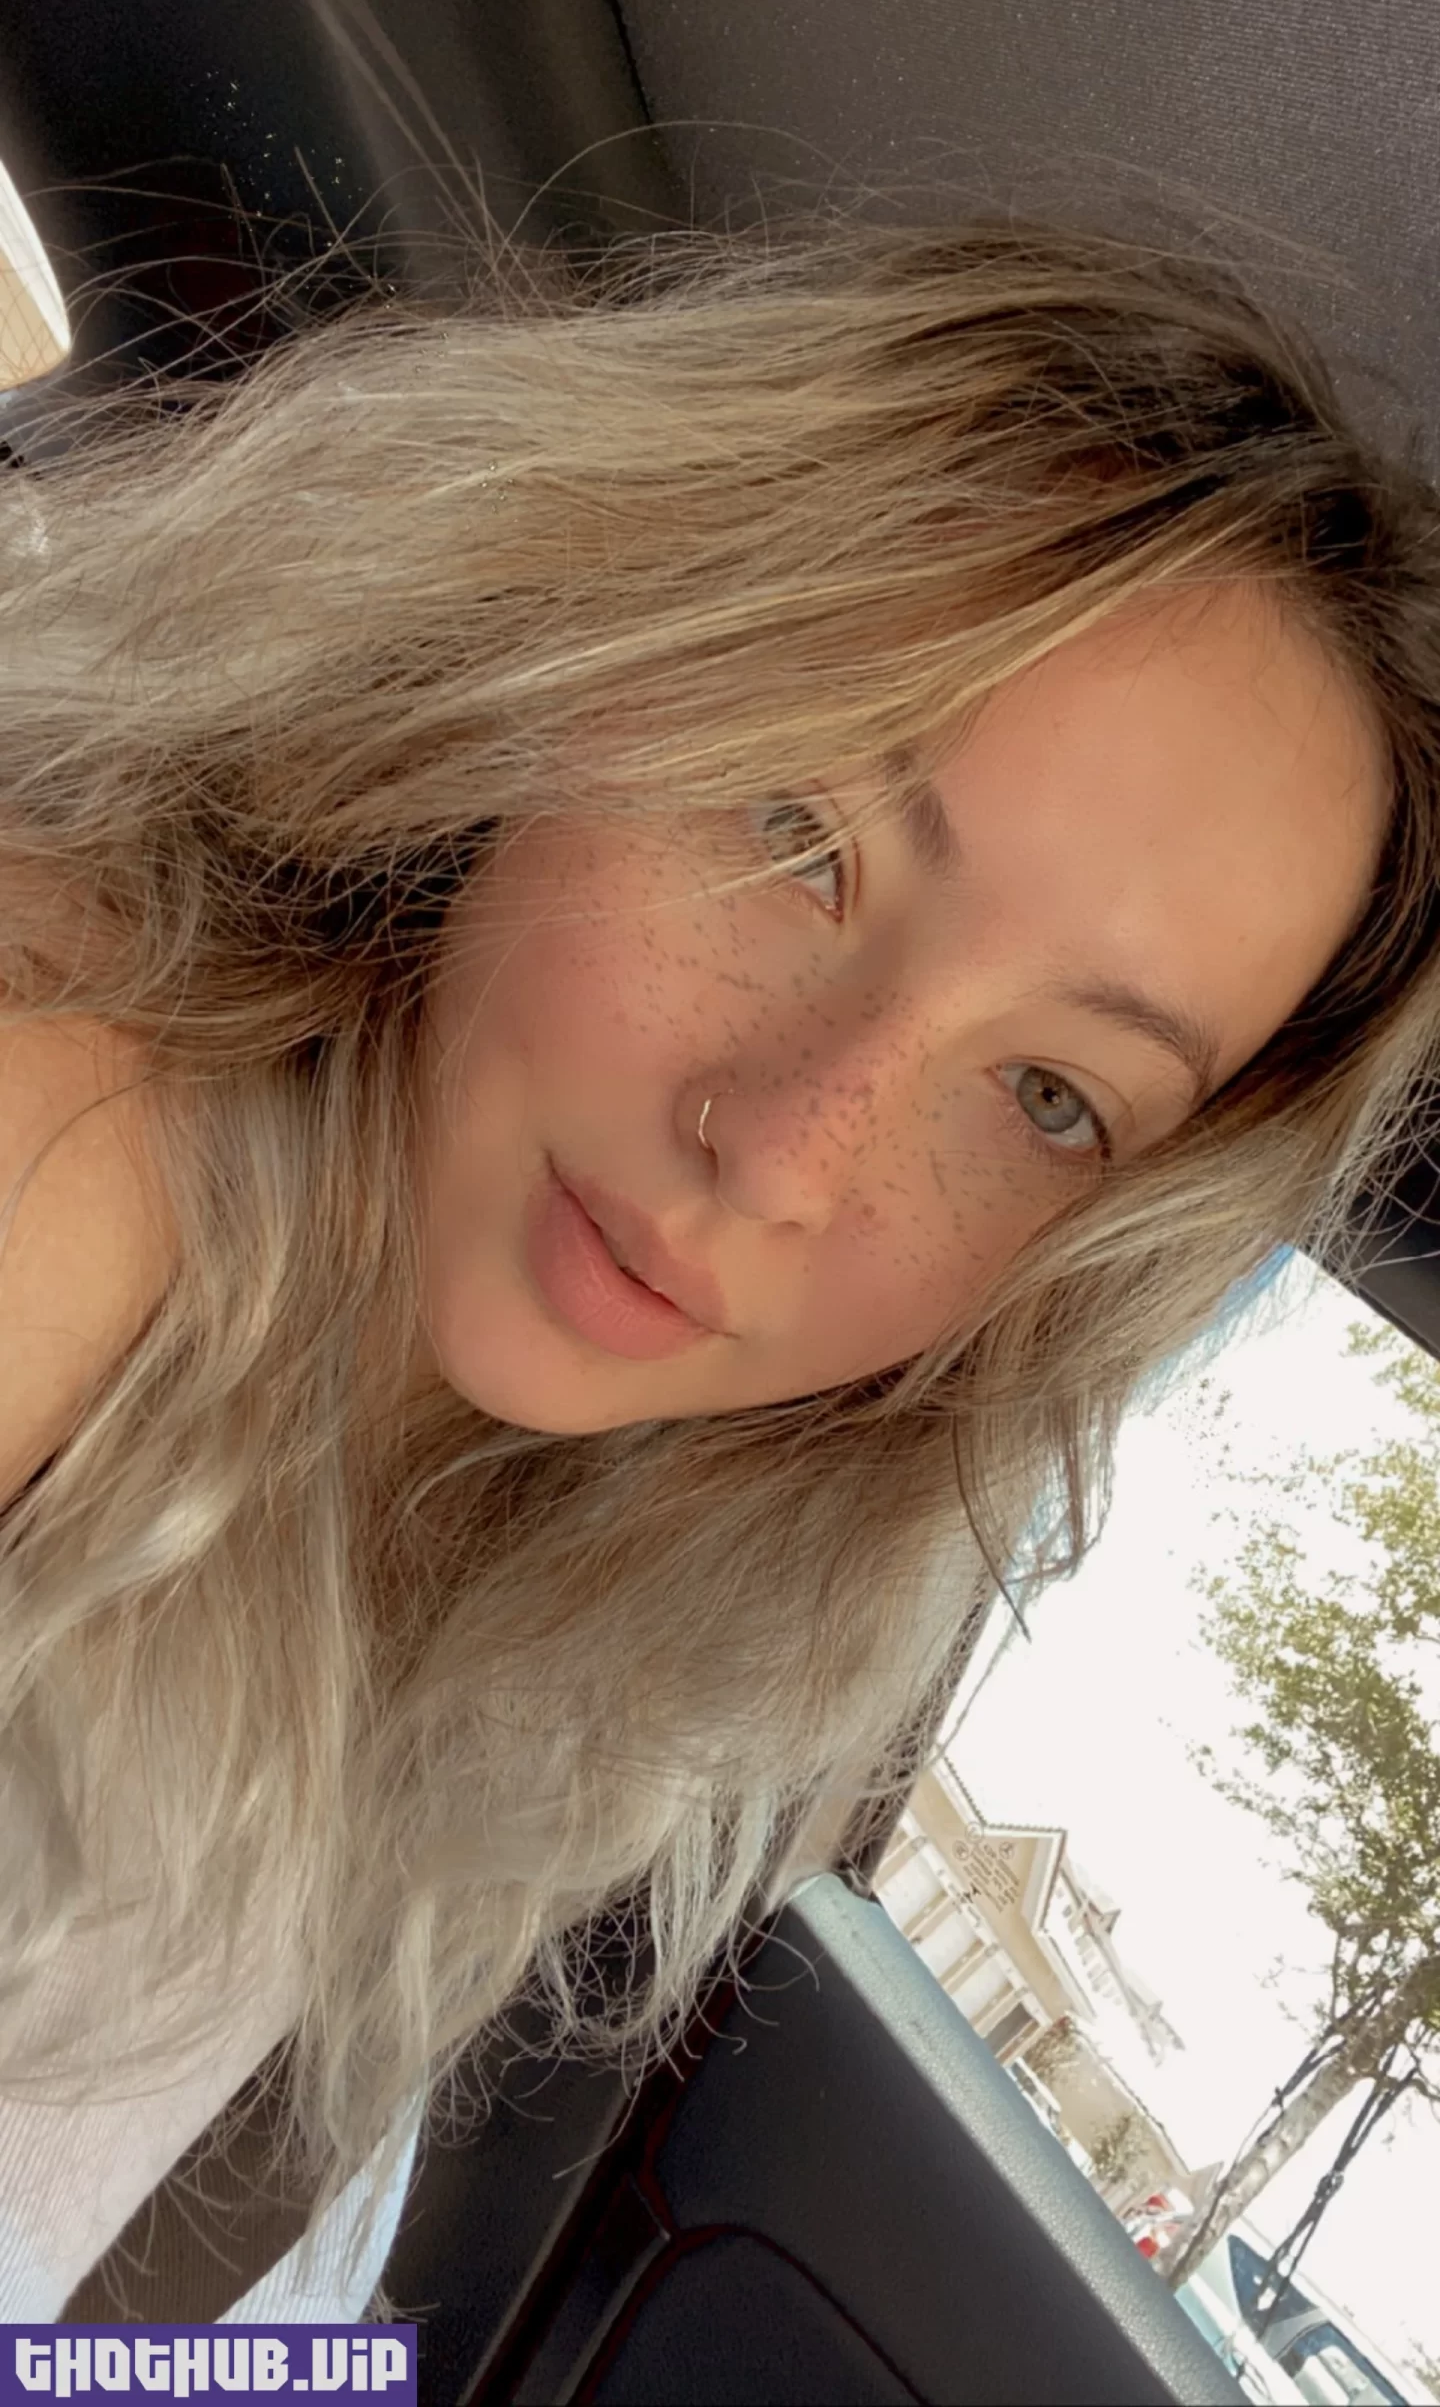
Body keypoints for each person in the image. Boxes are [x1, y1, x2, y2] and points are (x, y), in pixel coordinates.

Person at [0, 207, 1436, 2322]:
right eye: (797, 831)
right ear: (570, 630)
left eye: (1049, 1097)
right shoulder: (67, 1116)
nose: (783, 1154)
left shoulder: (523, 1643)